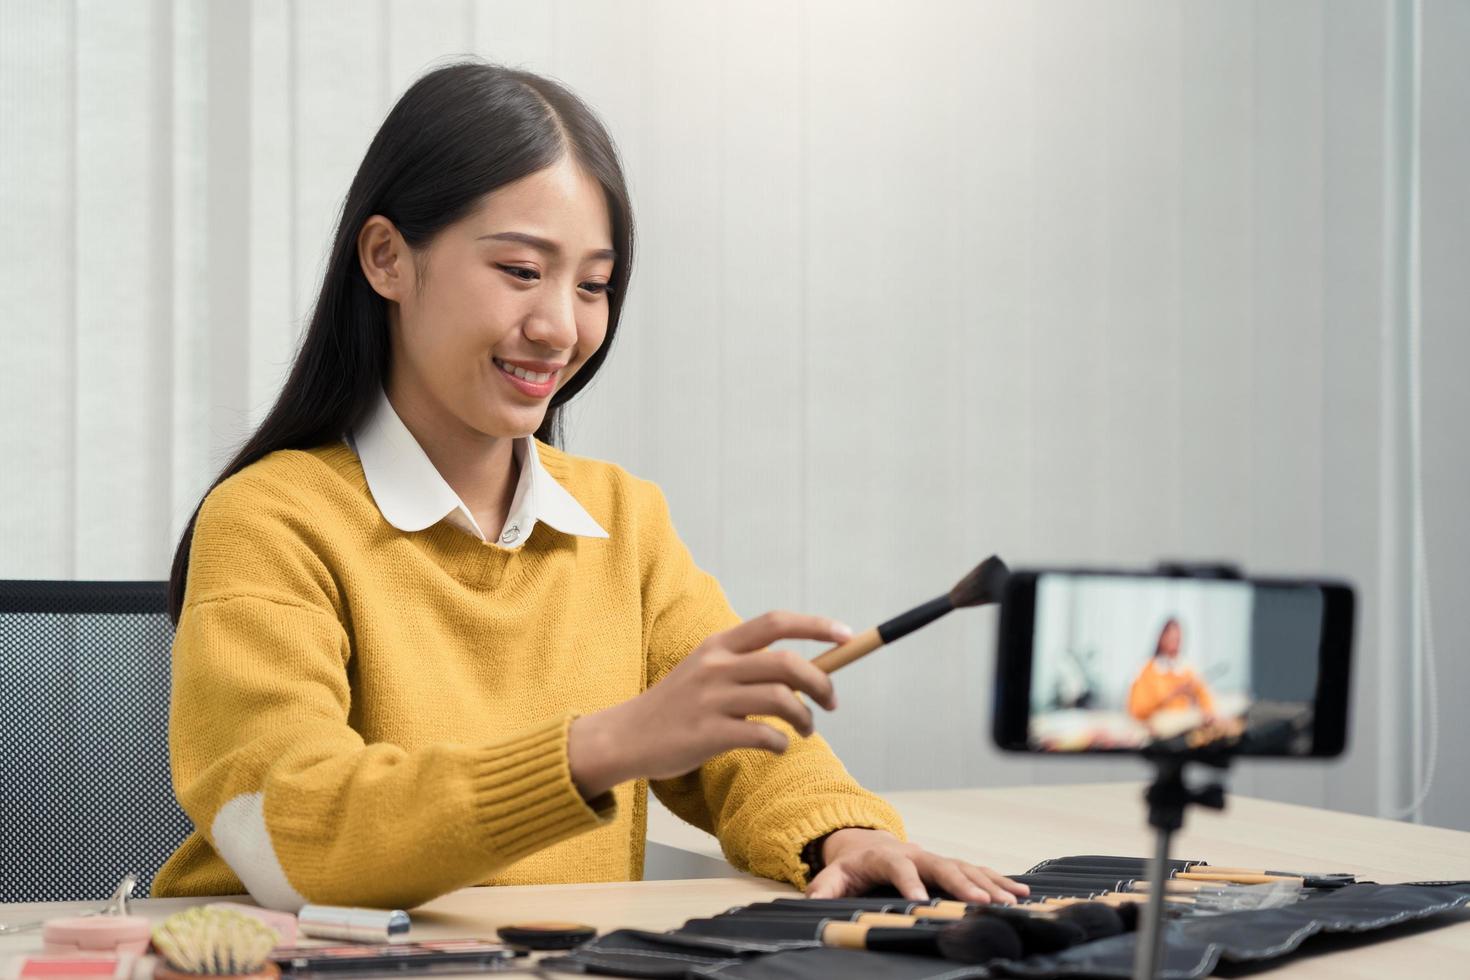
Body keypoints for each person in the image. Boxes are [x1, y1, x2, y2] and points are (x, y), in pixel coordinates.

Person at [151, 61, 1027, 912]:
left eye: (594, 286)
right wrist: (604, 745)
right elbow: (293, 829)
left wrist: (843, 836)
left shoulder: (621, 520)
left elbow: (738, 744)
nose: (560, 327)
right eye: (521, 272)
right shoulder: (270, 520)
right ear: (387, 259)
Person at [1126, 618, 1217, 724]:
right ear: (1161, 639)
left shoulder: (1188, 670)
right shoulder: (1146, 669)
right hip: (1157, 730)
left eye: (1177, 639)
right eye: (1170, 638)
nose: (1174, 643)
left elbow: (1206, 699)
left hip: (1184, 727)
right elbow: (1137, 708)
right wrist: (1171, 694)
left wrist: (1203, 708)